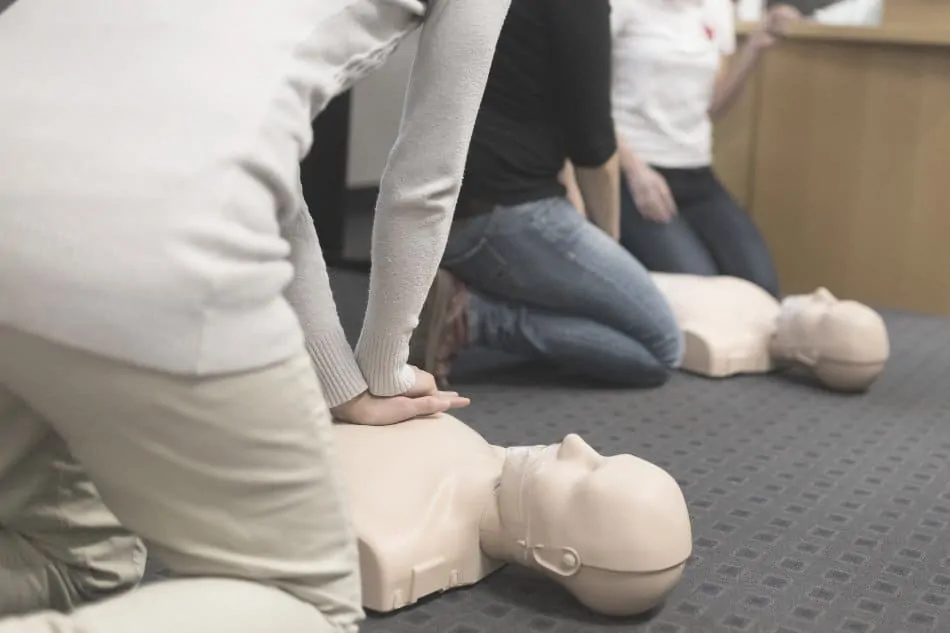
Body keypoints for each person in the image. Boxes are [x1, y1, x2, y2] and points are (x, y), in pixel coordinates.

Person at [0, 0, 509, 631]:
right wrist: (383, 370)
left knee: (70, 559)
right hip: (141, 213)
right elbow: (425, 182)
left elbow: (255, 150)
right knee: (306, 602)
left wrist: (339, 384)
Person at [408, 0, 684, 389]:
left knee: (605, 299)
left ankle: (475, 291)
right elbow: (594, 147)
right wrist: (608, 246)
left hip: (427, 204)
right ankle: (473, 317)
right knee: (662, 347)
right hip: (501, 215)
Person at [609, 0, 800, 297]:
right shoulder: (619, 6)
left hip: (697, 172)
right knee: (703, 297)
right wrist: (635, 171)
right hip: (633, 173)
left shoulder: (716, 8)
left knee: (761, 288)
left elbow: (713, 106)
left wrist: (754, 48)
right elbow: (584, 101)